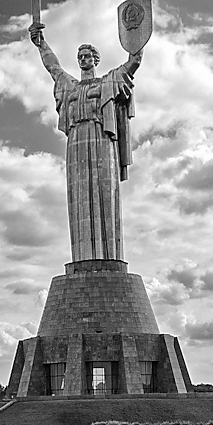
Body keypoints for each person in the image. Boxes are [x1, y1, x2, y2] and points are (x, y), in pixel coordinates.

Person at [28, 20, 142, 262]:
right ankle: (83, 257)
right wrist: (41, 44)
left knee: (103, 190)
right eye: (80, 56)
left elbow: (132, 64)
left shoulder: (107, 82)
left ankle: (108, 256)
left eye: (87, 55)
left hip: (101, 138)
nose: (83, 59)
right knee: (79, 195)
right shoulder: (70, 86)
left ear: (95, 60)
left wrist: (137, 42)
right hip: (76, 142)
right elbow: (53, 68)